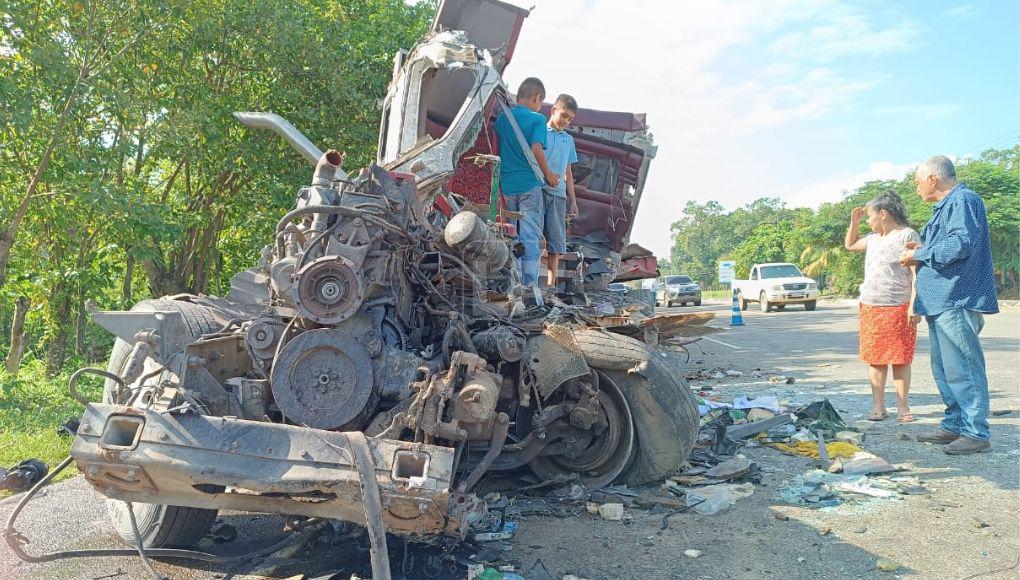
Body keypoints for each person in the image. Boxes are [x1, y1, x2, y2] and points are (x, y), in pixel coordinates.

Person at [900, 155, 998, 455]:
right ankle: (955, 424)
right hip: (940, 300)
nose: (916, 189)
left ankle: (975, 432)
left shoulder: (963, 199)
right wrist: (923, 250)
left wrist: (921, 254)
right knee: (944, 368)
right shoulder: (948, 205)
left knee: (963, 367)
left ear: (933, 179)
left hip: (956, 297)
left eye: (917, 182)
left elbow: (960, 244)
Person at [844, 191, 921, 423]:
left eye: (870, 216)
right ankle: (878, 407)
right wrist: (853, 223)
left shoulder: (907, 235)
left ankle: (902, 407)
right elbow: (850, 245)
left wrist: (914, 306)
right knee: (875, 359)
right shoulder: (873, 239)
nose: (869, 221)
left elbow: (918, 273)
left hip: (899, 305)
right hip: (871, 306)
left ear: (883, 214)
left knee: (900, 359)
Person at [494, 77, 558, 286]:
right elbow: (536, 149)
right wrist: (548, 174)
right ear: (537, 98)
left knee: (510, 234)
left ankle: (512, 282)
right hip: (529, 185)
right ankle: (529, 284)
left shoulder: (503, 118)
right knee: (530, 235)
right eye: (541, 102)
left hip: (507, 186)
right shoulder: (537, 119)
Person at [542, 94, 580, 287]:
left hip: (558, 195)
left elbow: (569, 173)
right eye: (564, 115)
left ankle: (550, 286)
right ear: (553, 110)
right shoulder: (540, 131)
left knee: (555, 242)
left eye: (570, 119)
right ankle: (527, 283)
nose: (566, 121)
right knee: (531, 237)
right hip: (538, 191)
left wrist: (572, 200)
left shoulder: (569, 141)